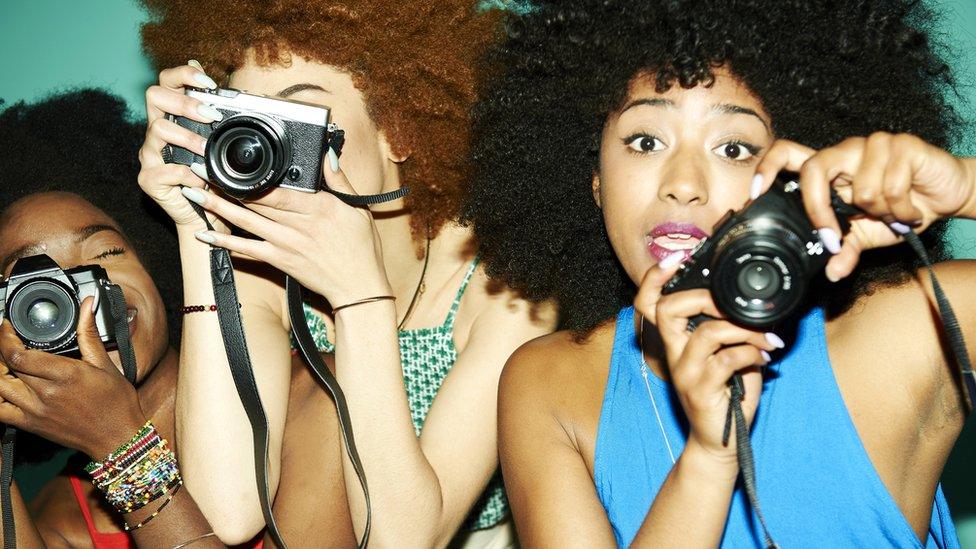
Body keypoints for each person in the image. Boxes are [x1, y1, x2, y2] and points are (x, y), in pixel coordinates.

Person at [465, 0, 973, 546]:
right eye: (645, 141)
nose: (683, 183)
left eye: (733, 148)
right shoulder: (549, 382)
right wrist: (708, 461)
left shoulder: (907, 331)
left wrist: (965, 188)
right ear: (593, 180)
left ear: (786, 174)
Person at [136, 0, 555, 546]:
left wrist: (359, 300)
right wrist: (199, 229)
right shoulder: (261, 262)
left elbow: (402, 542)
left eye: (298, 119)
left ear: (398, 130)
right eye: (249, 123)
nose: (265, 146)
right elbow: (229, 511)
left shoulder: (504, 285)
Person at [0, 90, 232, 548]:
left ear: (156, 260)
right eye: (39, 294)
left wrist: (122, 448)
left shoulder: (301, 397)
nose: (81, 297)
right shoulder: (62, 519)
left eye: (105, 252)